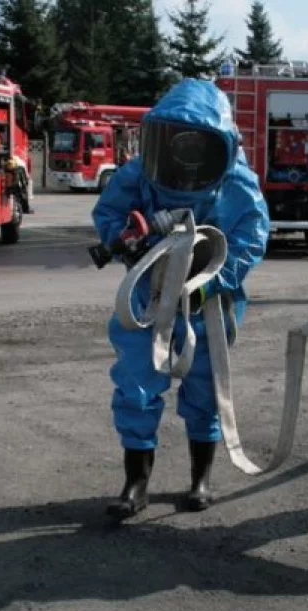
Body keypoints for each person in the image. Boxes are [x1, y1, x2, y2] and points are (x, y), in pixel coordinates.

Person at [91, 79, 269, 521]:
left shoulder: (237, 184)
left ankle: (200, 479)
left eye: (197, 143)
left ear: (220, 144)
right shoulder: (140, 173)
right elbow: (110, 213)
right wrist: (126, 242)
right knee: (135, 385)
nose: (185, 155)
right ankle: (137, 484)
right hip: (148, 300)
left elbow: (250, 237)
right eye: (178, 141)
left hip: (211, 305)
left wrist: (214, 278)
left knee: (206, 389)